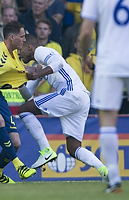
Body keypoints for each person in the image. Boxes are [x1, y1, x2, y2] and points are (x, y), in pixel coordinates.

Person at [16, 34, 108, 180]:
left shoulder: (41, 51)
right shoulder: (38, 65)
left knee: (23, 110)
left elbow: (58, 63)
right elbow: (27, 95)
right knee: (73, 148)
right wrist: (19, 83)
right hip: (82, 99)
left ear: (29, 47)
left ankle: (46, 150)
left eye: (20, 49)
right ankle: (103, 169)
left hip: (71, 94)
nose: (18, 53)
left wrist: (38, 73)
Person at [80, 0, 128, 193]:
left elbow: (85, 32)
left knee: (108, 122)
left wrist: (84, 56)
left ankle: (114, 178)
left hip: (109, 63)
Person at [0, 21, 37, 183]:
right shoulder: (1, 59)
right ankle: (19, 166)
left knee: (15, 143)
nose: (24, 40)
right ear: (12, 37)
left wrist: (41, 71)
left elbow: (23, 73)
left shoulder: (11, 51)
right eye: (22, 36)